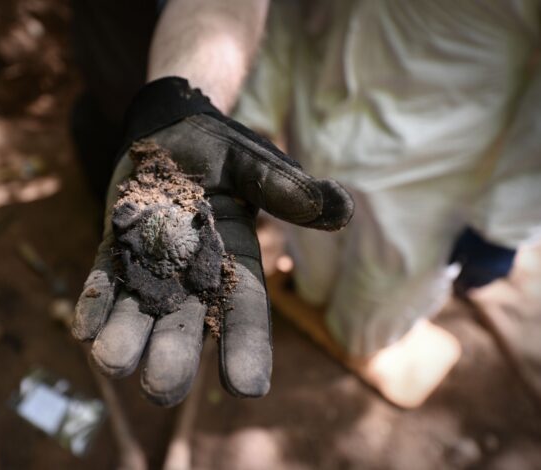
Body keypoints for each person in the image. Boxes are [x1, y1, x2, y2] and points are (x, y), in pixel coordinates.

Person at [71, 0, 541, 407]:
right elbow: (283, 14)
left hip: (435, 171)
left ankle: (362, 337)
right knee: (312, 262)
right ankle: (316, 295)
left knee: (377, 304)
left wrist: (506, 223)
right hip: (314, 133)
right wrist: (240, 118)